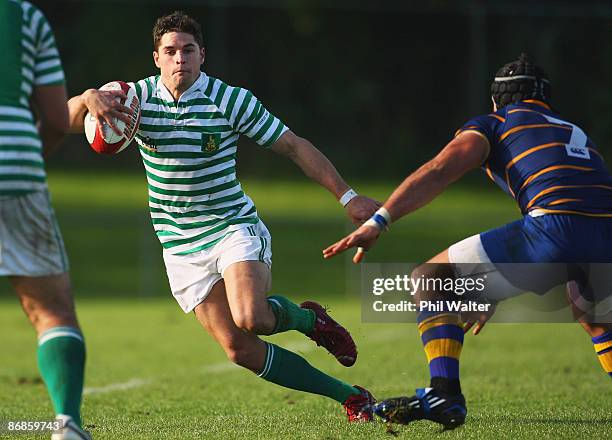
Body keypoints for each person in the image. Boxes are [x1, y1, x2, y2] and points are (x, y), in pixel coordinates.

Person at [67, 11, 378, 421]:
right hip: (179, 244)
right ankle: (351, 397)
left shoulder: (231, 100)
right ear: (156, 58)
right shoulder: (133, 99)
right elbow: (66, 118)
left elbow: (295, 147)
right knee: (239, 349)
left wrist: (348, 197)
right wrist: (89, 97)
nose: (180, 59)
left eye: (188, 50)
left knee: (253, 317)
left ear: (202, 55)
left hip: (233, 226)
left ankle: (306, 318)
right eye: (171, 51)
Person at [324, 53, 612, 428]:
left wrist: (380, 219)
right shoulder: (573, 132)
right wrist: (492, 285)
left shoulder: (497, 122)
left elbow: (442, 168)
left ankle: (444, 393)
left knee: (430, 277)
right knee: (594, 315)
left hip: (555, 228)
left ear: (496, 99)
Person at [0, 1, 90, 439]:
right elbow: (57, 118)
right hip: (15, 168)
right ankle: (68, 425)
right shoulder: (25, 17)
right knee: (53, 310)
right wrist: (28, 153)